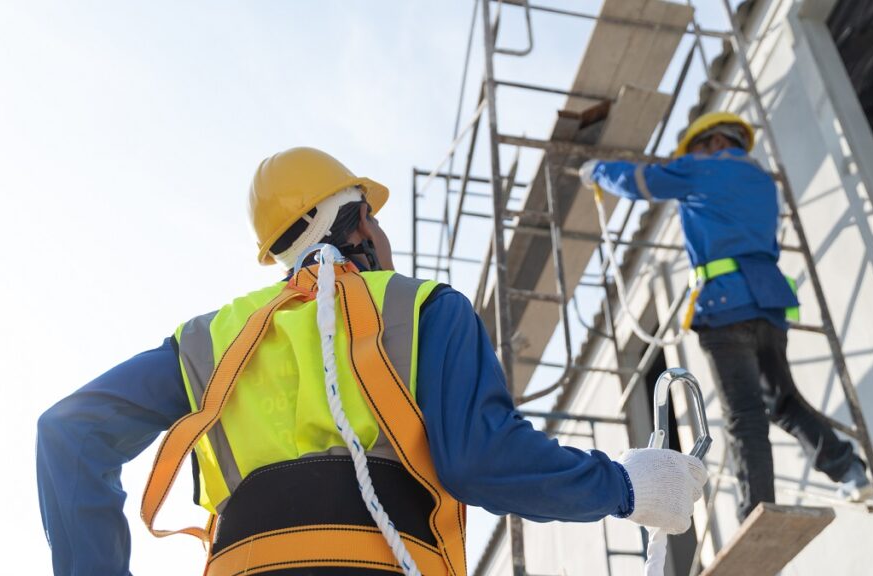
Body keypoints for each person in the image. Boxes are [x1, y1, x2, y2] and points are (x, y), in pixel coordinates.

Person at [37, 147, 708, 576]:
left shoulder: (208, 341)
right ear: (357, 223)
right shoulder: (424, 310)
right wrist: (628, 487)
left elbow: (69, 433)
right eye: (375, 221)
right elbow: (482, 462)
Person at [580, 112, 872, 522]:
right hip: (769, 304)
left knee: (744, 414)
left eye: (696, 148)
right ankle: (850, 470)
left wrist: (599, 172)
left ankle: (758, 512)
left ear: (715, 142)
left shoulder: (702, 169)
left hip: (724, 304)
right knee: (783, 401)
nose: (691, 156)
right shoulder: (760, 180)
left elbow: (639, 182)